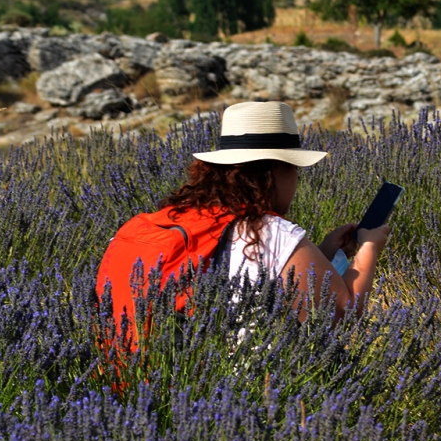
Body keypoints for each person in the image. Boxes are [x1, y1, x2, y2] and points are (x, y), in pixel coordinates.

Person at [97, 101, 389, 331]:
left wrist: (324, 253)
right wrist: (369, 248)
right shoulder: (270, 232)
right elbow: (341, 311)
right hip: (238, 396)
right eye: (295, 169)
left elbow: (263, 272)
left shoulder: (174, 218)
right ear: (276, 172)